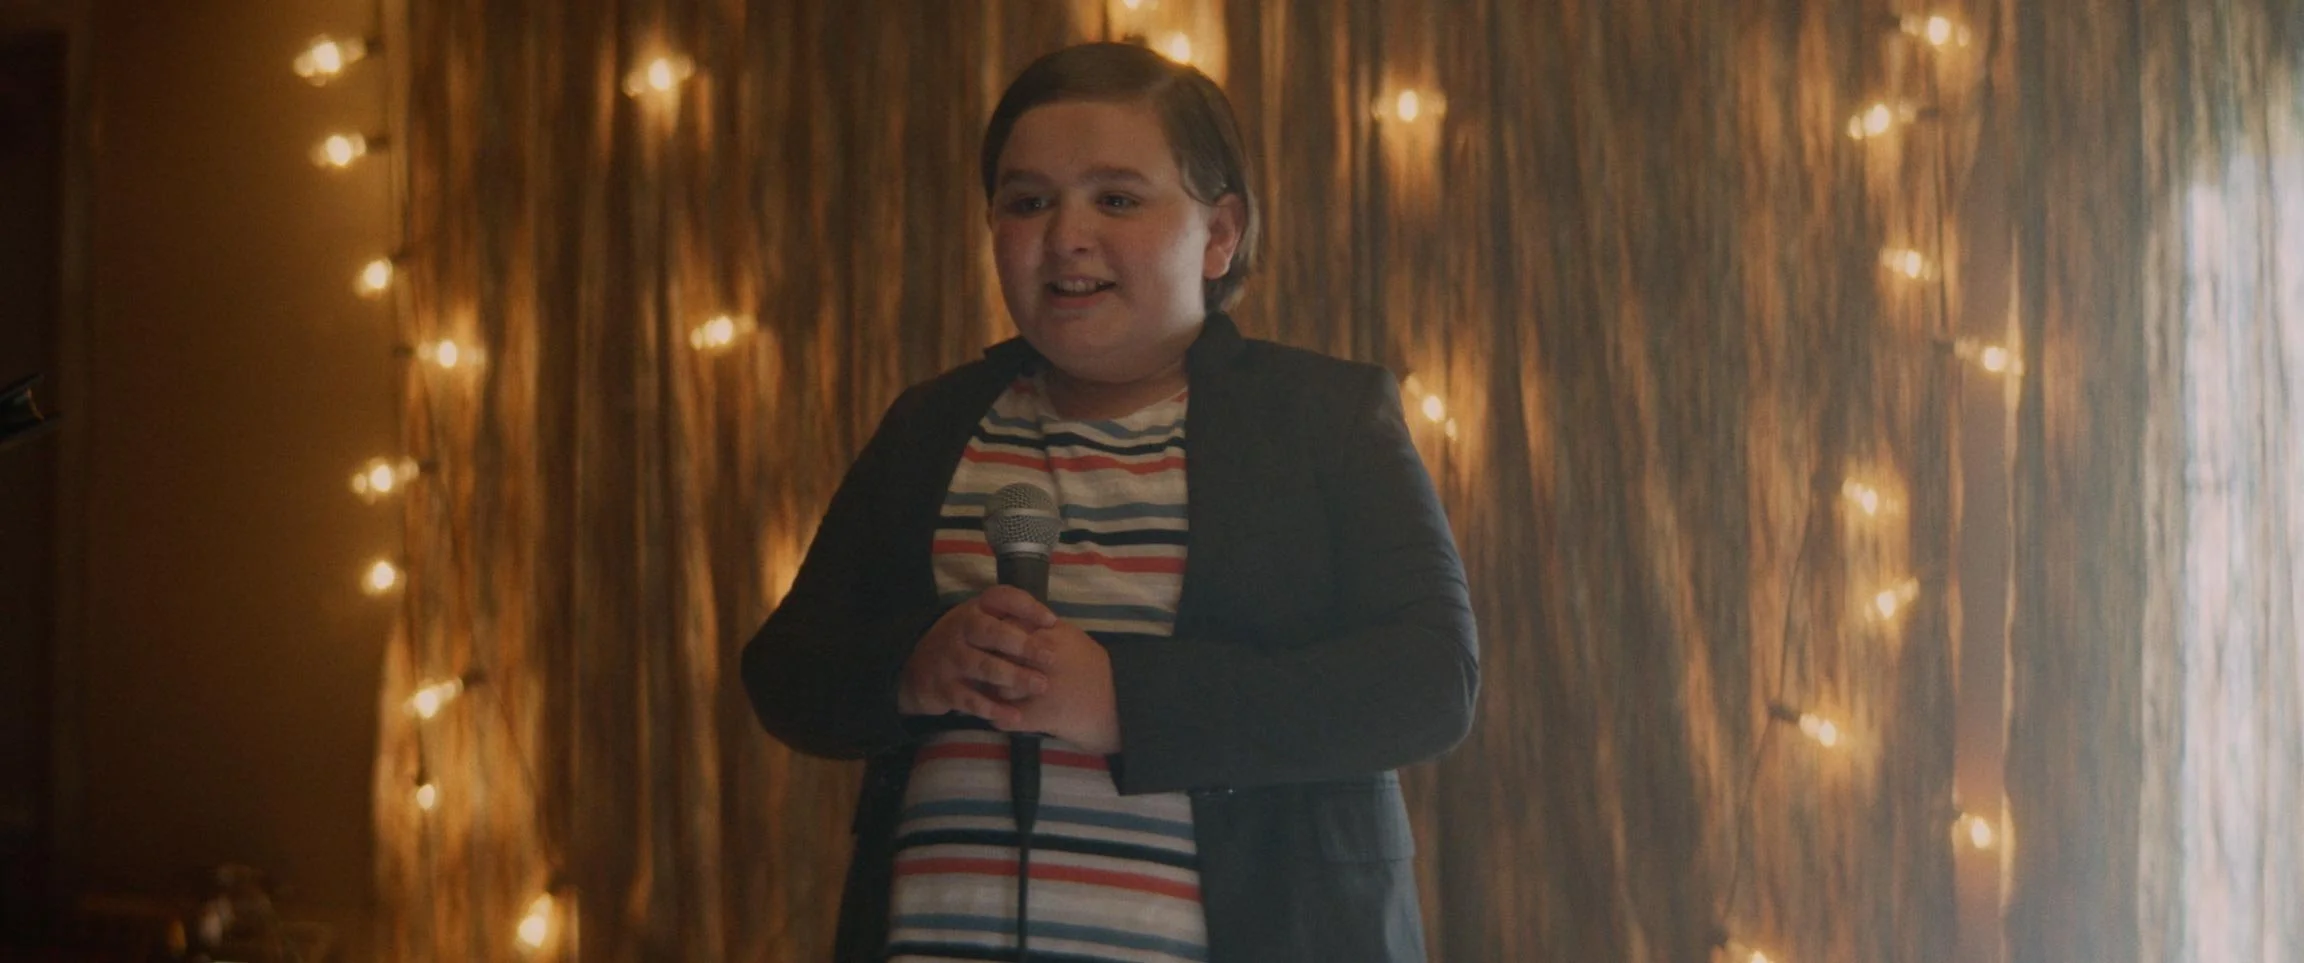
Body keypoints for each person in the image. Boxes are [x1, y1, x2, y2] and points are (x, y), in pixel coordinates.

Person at [742, 41, 1477, 963]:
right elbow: (785, 671)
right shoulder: (933, 423)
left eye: (1117, 198)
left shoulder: (1322, 418)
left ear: (1219, 234)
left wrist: (1126, 700)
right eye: (1028, 200)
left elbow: (1430, 683)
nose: (1066, 235)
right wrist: (913, 667)